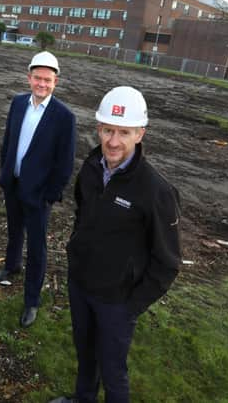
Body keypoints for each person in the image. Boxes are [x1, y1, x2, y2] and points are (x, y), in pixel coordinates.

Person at [51, 87, 181, 403]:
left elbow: (167, 263)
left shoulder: (156, 191)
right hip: (81, 286)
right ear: (98, 128)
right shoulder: (92, 168)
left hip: (117, 302)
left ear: (140, 133)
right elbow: (83, 214)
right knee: (85, 355)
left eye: (124, 132)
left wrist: (130, 308)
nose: (113, 141)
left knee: (113, 372)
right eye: (108, 130)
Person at [0, 51, 76, 328]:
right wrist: (4, 170)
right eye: (37, 78)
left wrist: (50, 194)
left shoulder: (64, 117)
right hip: (13, 183)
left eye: (48, 80)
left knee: (38, 247)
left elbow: (65, 162)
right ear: (29, 78)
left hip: (38, 194)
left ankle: (31, 301)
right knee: (14, 229)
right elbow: (9, 140)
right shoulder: (18, 104)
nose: (42, 84)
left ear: (55, 82)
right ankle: (11, 265)